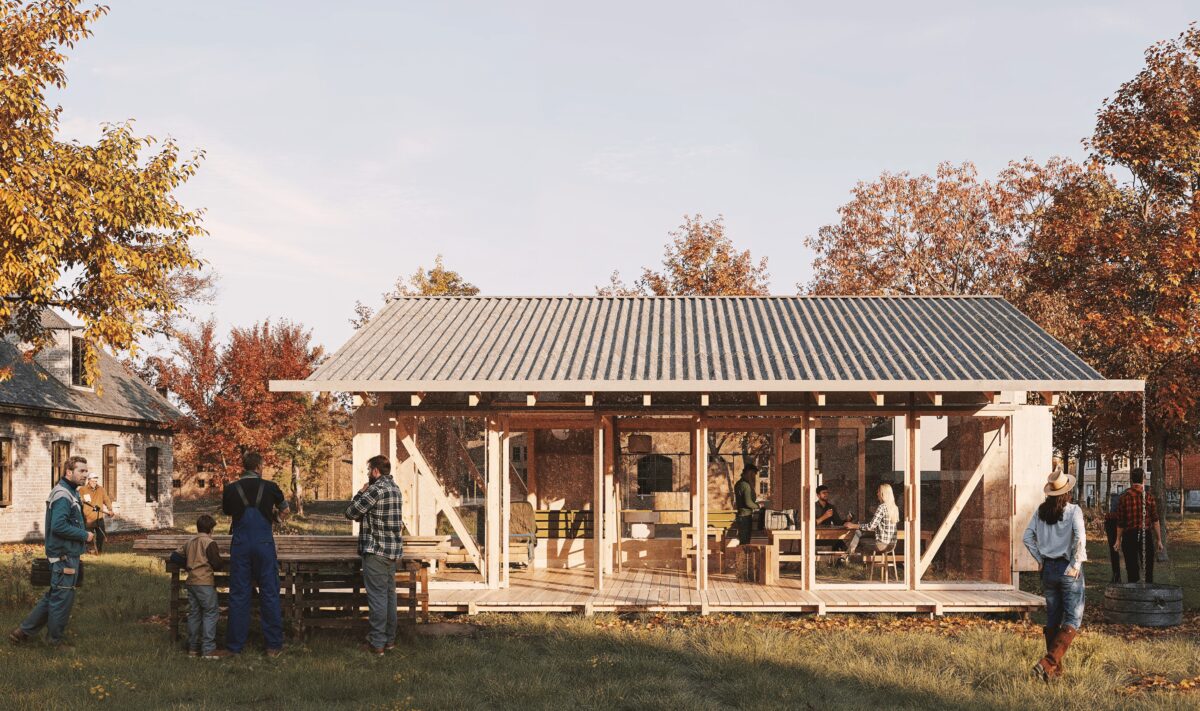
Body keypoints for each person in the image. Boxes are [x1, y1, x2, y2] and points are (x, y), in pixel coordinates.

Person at [9, 456, 95, 648]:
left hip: (66, 555)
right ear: (68, 472)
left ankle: (22, 632)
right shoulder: (63, 495)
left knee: (54, 596)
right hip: (64, 557)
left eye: (86, 470)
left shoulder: (69, 492)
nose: (85, 474)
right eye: (81, 471)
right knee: (62, 599)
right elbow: (58, 526)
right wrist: (84, 535)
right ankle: (54, 642)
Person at [221, 451, 289, 657]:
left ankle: (235, 647)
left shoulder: (231, 489)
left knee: (239, 594)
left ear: (244, 467)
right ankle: (273, 646)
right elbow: (285, 510)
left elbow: (227, 512)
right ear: (259, 467)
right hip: (264, 544)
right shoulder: (271, 487)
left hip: (241, 544)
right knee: (269, 593)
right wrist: (276, 517)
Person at [1023, 469, 1086, 681]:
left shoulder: (1041, 512)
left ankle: (1054, 673)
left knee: (1053, 619)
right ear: (1066, 492)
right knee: (1073, 619)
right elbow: (1079, 537)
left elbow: (1027, 537)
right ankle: (1047, 662)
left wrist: (1040, 558)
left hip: (1049, 569)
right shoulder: (1073, 511)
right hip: (1068, 568)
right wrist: (1076, 562)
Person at [345, 454, 404, 655]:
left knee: (377, 599)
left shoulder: (375, 490)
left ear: (376, 471)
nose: (369, 474)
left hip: (376, 551)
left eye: (369, 470)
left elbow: (351, 512)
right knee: (389, 598)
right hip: (391, 553)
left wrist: (360, 493)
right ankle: (389, 641)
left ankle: (377, 644)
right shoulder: (395, 489)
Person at [170, 514, 229, 659]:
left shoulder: (190, 541)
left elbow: (174, 556)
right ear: (211, 529)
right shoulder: (209, 542)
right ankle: (208, 649)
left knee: (194, 614)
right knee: (211, 612)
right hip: (204, 582)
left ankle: (193, 648)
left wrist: (189, 565)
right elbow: (216, 563)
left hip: (191, 582)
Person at [1114, 467, 1163, 584]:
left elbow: (1121, 522)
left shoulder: (1124, 498)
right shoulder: (1149, 497)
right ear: (1143, 479)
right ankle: (1147, 596)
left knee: (1131, 570)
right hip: (1145, 535)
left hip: (1129, 536)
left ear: (1131, 480)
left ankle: (1133, 596)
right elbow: (1155, 520)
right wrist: (1159, 540)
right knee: (1148, 570)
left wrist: (1118, 540)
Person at [845, 483, 898, 558]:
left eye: (878, 492)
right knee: (859, 533)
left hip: (881, 545)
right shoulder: (895, 508)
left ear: (882, 494)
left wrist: (853, 525)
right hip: (892, 545)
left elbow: (871, 526)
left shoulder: (882, 507)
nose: (877, 494)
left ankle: (849, 556)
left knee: (861, 539)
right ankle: (847, 555)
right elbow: (883, 528)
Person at [79, 473, 114, 556]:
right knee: (88, 537)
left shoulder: (101, 489)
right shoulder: (82, 490)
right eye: (93, 481)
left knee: (101, 536)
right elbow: (79, 501)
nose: (95, 482)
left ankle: (99, 551)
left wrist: (110, 509)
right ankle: (88, 551)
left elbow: (106, 499)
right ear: (89, 480)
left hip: (99, 517)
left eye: (96, 481)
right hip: (88, 517)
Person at [733, 463, 761, 545]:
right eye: (753, 474)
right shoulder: (745, 485)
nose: (754, 477)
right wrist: (759, 506)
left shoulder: (739, 483)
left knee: (743, 541)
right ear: (749, 472)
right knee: (745, 542)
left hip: (741, 516)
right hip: (745, 516)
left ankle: (743, 557)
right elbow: (748, 503)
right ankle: (743, 557)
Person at [1104, 490, 1122, 583]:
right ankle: (1116, 575)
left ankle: (1116, 575)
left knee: (1114, 549)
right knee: (1115, 549)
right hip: (1114, 521)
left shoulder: (1111, 517)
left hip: (1113, 521)